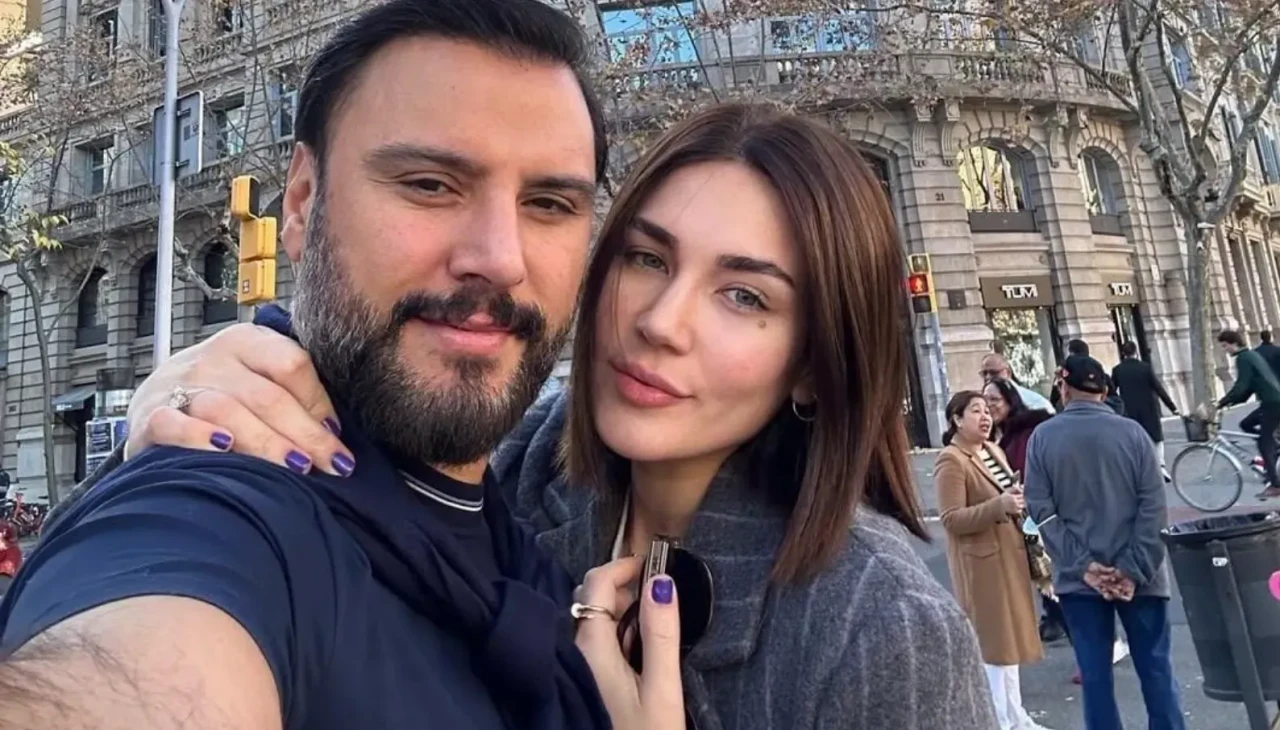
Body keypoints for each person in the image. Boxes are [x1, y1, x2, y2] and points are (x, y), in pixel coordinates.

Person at [37, 105, 998, 728]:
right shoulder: (499, 470)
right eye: (647, 259)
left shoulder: (879, 630)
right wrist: (190, 397)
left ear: (813, 370)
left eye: (744, 296)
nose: (660, 323)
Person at [0, 2, 681, 728]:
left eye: (547, 203)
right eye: (429, 184)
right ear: (300, 204)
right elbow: (133, 668)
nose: (499, 259)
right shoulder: (218, 508)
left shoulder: (545, 521)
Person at [1023, 355, 1185, 730]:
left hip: (1079, 581)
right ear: (1105, 390)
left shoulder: (1042, 438)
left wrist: (1084, 567)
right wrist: (1132, 568)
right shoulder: (1134, 434)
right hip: (1142, 577)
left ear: (1063, 388)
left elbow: (1042, 512)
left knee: (1095, 678)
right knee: (1157, 671)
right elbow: (1154, 508)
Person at [936, 392, 1050, 730]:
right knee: (994, 648)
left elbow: (1007, 498)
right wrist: (999, 506)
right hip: (981, 565)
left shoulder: (992, 450)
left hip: (1008, 558)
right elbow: (951, 519)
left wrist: (1015, 500)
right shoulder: (951, 460)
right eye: (976, 411)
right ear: (957, 419)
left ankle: (1016, 716)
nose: (985, 416)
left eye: (987, 410)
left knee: (1010, 643)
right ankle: (997, 720)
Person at [983, 378, 1066, 645]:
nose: (989, 406)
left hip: (1039, 512)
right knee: (1042, 573)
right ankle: (1056, 618)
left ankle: (1091, 636)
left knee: (1049, 571)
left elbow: (1029, 472)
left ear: (1010, 400)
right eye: (985, 400)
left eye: (995, 399)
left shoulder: (1027, 430)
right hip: (1018, 516)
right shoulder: (992, 435)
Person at [1217, 329, 1280, 500]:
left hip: (1272, 403)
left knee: (1264, 442)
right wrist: (1231, 403)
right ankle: (1273, 446)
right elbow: (1249, 387)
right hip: (1272, 401)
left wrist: (1221, 402)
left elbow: (1241, 385)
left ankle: (1275, 485)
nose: (1225, 350)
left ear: (1233, 343)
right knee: (1246, 424)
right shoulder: (1251, 355)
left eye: (1225, 346)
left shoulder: (1243, 358)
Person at [1111, 341, 1179, 481]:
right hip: (1149, 407)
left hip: (1129, 408)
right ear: (1136, 352)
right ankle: (1161, 465)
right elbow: (1159, 389)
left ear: (1123, 353)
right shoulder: (1145, 368)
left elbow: (1112, 390)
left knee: (1134, 439)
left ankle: (1140, 468)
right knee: (1157, 438)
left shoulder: (1117, 370)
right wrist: (1172, 407)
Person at [981, 352, 1054, 413]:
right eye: (984, 373)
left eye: (994, 372)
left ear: (1008, 373)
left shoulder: (1034, 401)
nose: (988, 377)